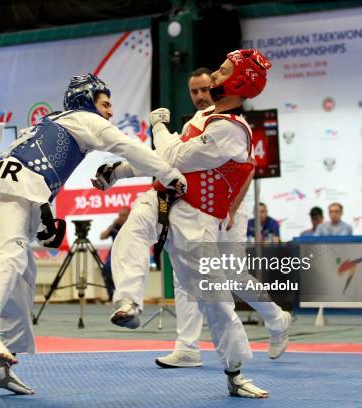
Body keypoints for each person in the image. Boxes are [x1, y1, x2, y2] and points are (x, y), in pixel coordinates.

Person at [0, 73, 187, 395]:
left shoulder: (50, 123)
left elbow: (33, 169)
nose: (110, 112)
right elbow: (127, 146)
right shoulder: (84, 119)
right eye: (105, 104)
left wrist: (45, 214)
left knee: (22, 283)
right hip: (13, 194)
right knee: (7, 258)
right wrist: (169, 173)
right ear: (88, 100)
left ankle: (1, 368)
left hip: (20, 194)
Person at [95, 50, 285, 398]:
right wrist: (119, 172)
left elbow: (170, 155)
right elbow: (166, 165)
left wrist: (156, 125)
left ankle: (235, 373)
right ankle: (128, 303)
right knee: (133, 231)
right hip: (164, 197)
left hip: (198, 219)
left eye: (223, 70)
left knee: (215, 299)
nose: (214, 74)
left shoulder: (231, 130)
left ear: (238, 83)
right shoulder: (200, 120)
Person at [152, 68, 289, 369]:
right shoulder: (193, 123)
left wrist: (232, 210)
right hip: (200, 208)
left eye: (205, 88)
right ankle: (187, 347)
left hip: (228, 208)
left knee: (232, 276)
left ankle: (277, 321)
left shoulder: (230, 123)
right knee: (187, 274)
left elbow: (249, 169)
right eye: (194, 91)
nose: (200, 96)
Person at [99, 207, 131, 301]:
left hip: (127, 253)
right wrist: (112, 224)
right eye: (120, 215)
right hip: (114, 254)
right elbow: (102, 236)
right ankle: (112, 294)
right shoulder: (115, 226)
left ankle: (124, 295)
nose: (121, 218)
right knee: (106, 269)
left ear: (129, 216)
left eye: (123, 216)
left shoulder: (131, 226)